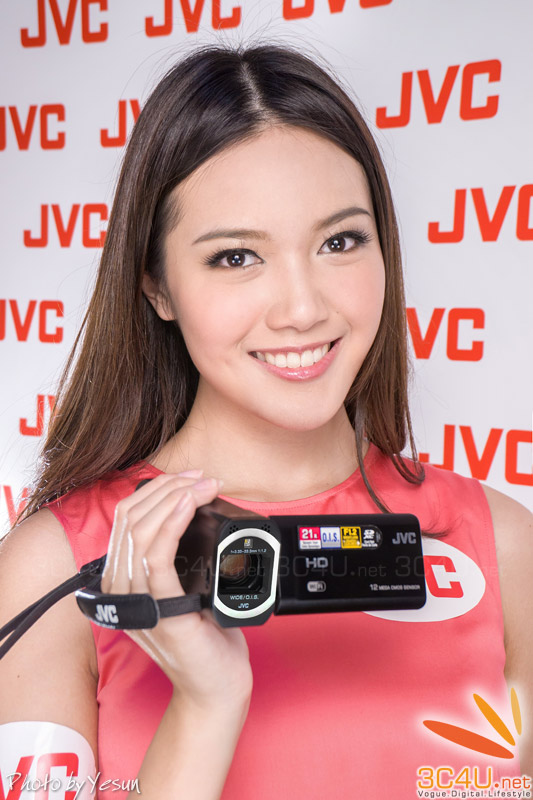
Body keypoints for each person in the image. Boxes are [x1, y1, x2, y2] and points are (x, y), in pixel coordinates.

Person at [0, 43, 531, 800]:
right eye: (235, 257)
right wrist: (206, 706)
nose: (303, 308)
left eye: (340, 242)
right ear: (156, 285)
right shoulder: (56, 569)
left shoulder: (501, 545)